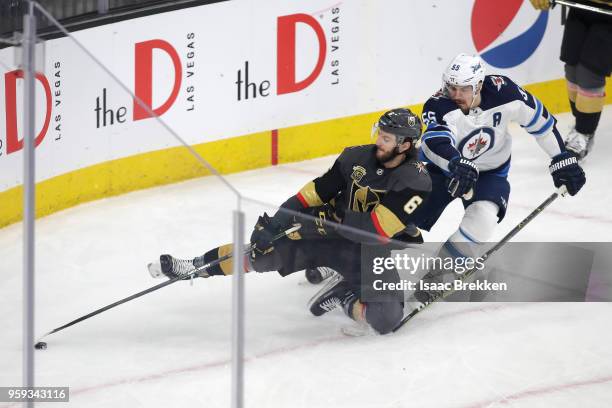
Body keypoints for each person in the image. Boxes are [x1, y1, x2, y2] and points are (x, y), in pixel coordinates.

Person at [148, 108, 432, 335]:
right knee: (262, 253)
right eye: (378, 134)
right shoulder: (355, 157)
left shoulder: (416, 181)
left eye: (386, 139)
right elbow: (312, 194)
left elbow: (375, 231)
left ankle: (346, 297)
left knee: (386, 320)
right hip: (328, 237)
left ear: (405, 145)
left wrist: (328, 219)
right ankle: (194, 267)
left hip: (371, 252)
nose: (378, 142)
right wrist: (276, 223)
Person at [411, 52, 586, 302]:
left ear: (479, 85)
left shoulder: (505, 92)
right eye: (451, 87)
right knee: (402, 218)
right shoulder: (438, 104)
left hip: (490, 171)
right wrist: (456, 162)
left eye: (463, 88)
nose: (455, 94)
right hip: (442, 169)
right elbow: (435, 140)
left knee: (483, 219)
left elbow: (541, 122)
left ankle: (436, 278)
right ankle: (358, 268)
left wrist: (561, 158)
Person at [530, 0, 612, 159]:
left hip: (607, 17)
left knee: (589, 72)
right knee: (572, 69)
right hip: (580, 8)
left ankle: (584, 132)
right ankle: (581, 125)